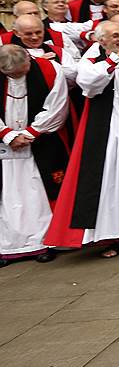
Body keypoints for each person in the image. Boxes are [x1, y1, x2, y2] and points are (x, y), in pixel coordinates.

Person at [44, 21, 119, 257]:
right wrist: (113, 60)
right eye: (114, 35)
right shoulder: (93, 55)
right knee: (108, 176)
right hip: (105, 128)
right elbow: (87, 85)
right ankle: (110, 235)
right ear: (101, 40)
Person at [0, 45, 70, 267]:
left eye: (23, 70)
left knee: (38, 194)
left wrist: (31, 132)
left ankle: (45, 242)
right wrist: (7, 135)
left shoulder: (50, 69)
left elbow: (57, 106)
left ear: (28, 61)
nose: (20, 75)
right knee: (9, 196)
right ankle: (8, 245)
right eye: (13, 74)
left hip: (40, 143)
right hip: (6, 148)